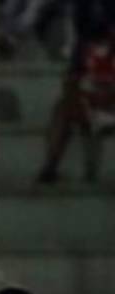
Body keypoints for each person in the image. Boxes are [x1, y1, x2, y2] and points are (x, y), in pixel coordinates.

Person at [36, 22, 115, 184]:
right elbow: (70, 82)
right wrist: (85, 99)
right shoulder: (83, 49)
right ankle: (50, 168)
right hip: (91, 105)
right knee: (62, 109)